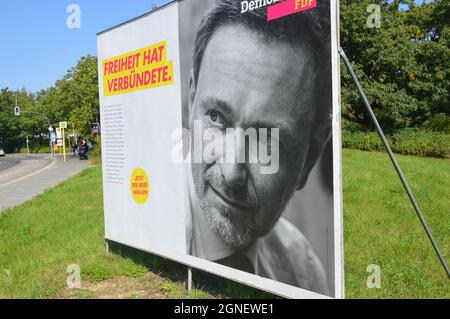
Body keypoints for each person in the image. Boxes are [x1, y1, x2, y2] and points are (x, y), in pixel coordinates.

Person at [185, 0, 332, 295]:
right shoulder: (148, 230)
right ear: (191, 101)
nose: (231, 171)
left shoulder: (303, 273)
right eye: (216, 117)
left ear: (310, 157)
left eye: (267, 139)